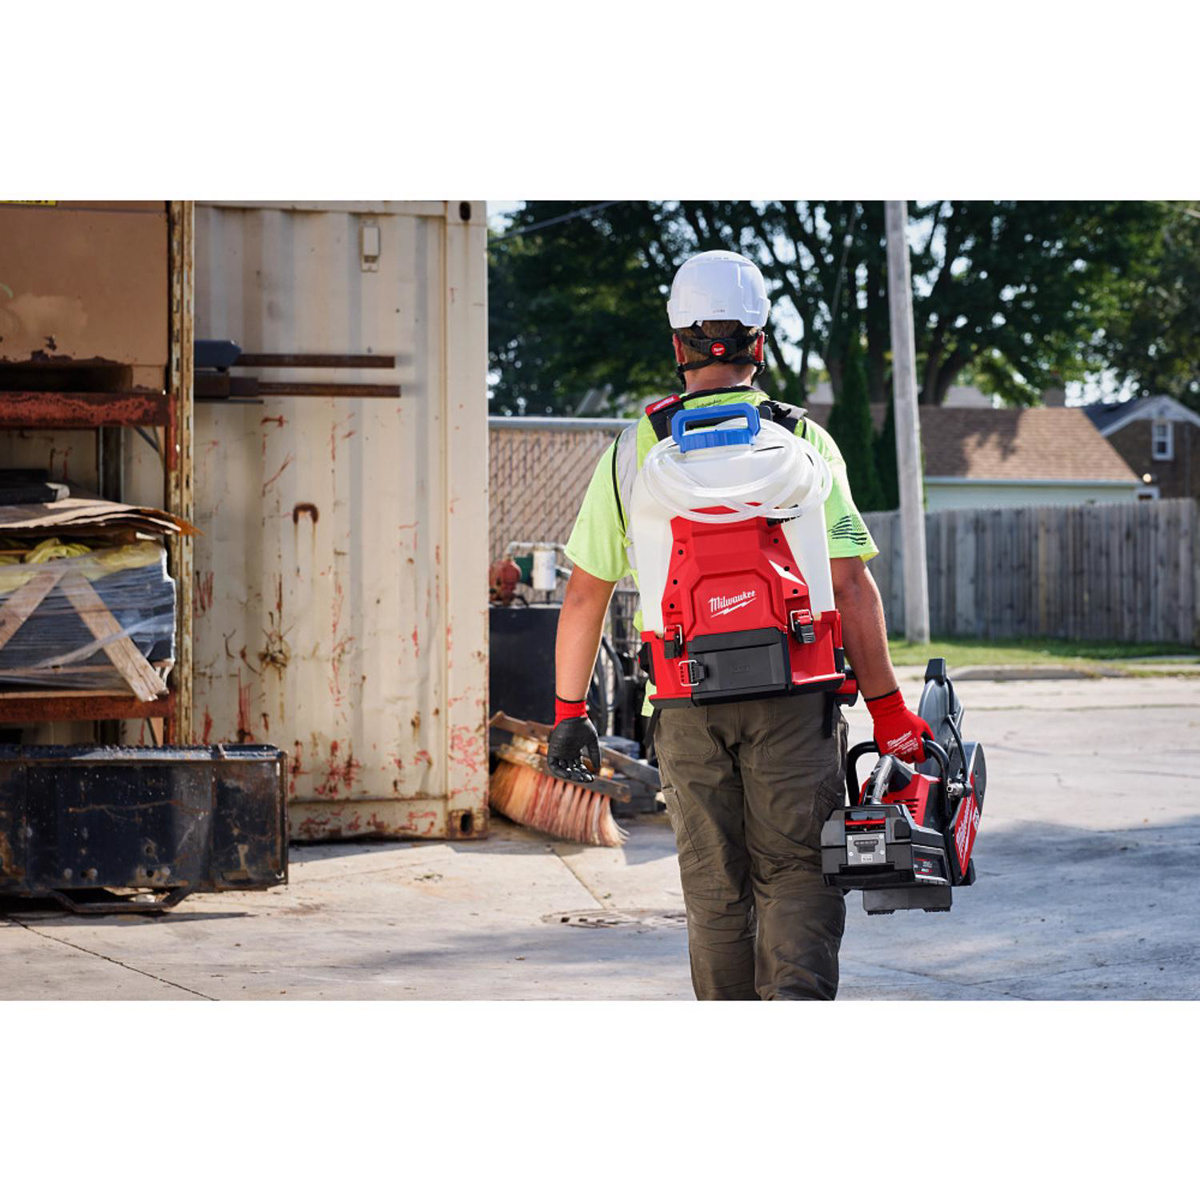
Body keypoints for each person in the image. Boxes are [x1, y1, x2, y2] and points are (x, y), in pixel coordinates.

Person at [547, 249, 931, 1000]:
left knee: (715, 889)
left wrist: (569, 714)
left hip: (685, 704)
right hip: (797, 700)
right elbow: (850, 586)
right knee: (798, 875)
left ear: (678, 345)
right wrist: (888, 711)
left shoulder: (632, 451)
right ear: (758, 342)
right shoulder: (805, 442)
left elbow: (586, 594)